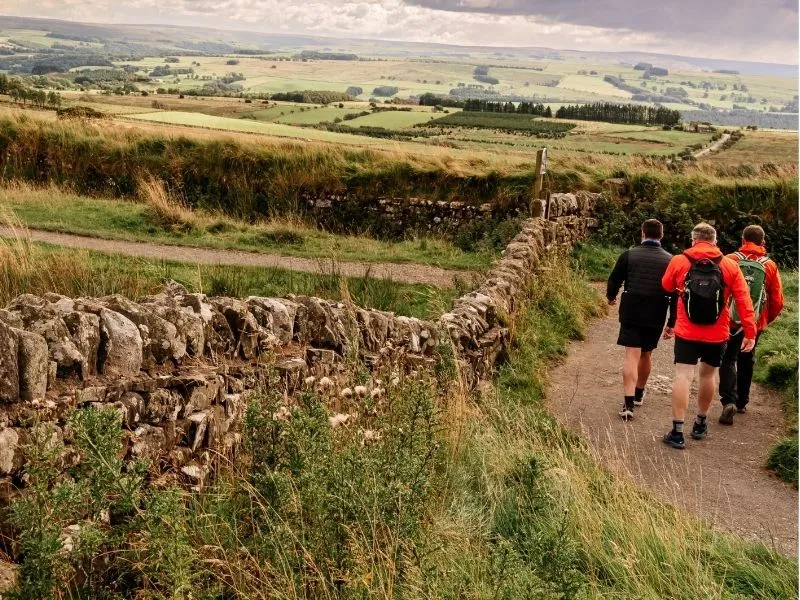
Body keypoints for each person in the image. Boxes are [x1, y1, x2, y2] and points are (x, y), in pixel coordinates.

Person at [660, 223, 756, 449]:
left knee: (683, 376)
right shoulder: (730, 266)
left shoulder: (679, 261)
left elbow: (666, 285)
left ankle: (677, 431)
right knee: (708, 376)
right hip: (717, 332)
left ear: (693, 241)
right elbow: (744, 301)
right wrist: (750, 333)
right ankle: (701, 423)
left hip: (686, 330)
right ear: (715, 241)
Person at [607, 219, 677, 420]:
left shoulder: (629, 255)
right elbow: (675, 294)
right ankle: (638, 393)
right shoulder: (670, 260)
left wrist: (611, 297)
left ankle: (628, 404)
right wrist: (672, 322)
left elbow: (614, 279)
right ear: (661, 236)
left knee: (631, 355)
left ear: (642, 233)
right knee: (646, 354)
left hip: (631, 308)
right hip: (657, 310)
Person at [718, 225, 784, 425]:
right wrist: (762, 320)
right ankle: (742, 402)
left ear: (742, 239)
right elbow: (777, 300)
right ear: (763, 242)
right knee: (747, 357)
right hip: (755, 321)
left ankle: (728, 399)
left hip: (729, 321)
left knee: (728, 358)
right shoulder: (769, 265)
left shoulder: (729, 260)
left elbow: (720, 291)